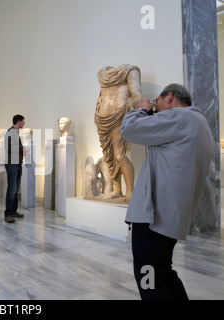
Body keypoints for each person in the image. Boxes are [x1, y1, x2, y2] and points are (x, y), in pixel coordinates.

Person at [120, 83, 213, 300]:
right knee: (163, 271)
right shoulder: (200, 123)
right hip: (171, 215)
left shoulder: (180, 118)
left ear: (169, 97)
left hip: (155, 217)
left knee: (148, 277)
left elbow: (128, 129)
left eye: (157, 103)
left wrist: (142, 109)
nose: (155, 108)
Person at [95, 64, 142, 201]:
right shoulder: (102, 75)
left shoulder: (129, 71)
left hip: (119, 117)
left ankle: (130, 191)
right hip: (103, 121)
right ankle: (117, 190)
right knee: (109, 156)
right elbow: (101, 98)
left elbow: (137, 95)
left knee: (120, 155)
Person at [3, 114, 26, 223]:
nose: (24, 123)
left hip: (17, 163)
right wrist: (23, 148)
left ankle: (13, 211)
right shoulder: (11, 132)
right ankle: (8, 214)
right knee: (12, 189)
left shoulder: (15, 132)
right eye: (23, 121)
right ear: (19, 122)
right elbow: (9, 147)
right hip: (11, 163)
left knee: (16, 189)